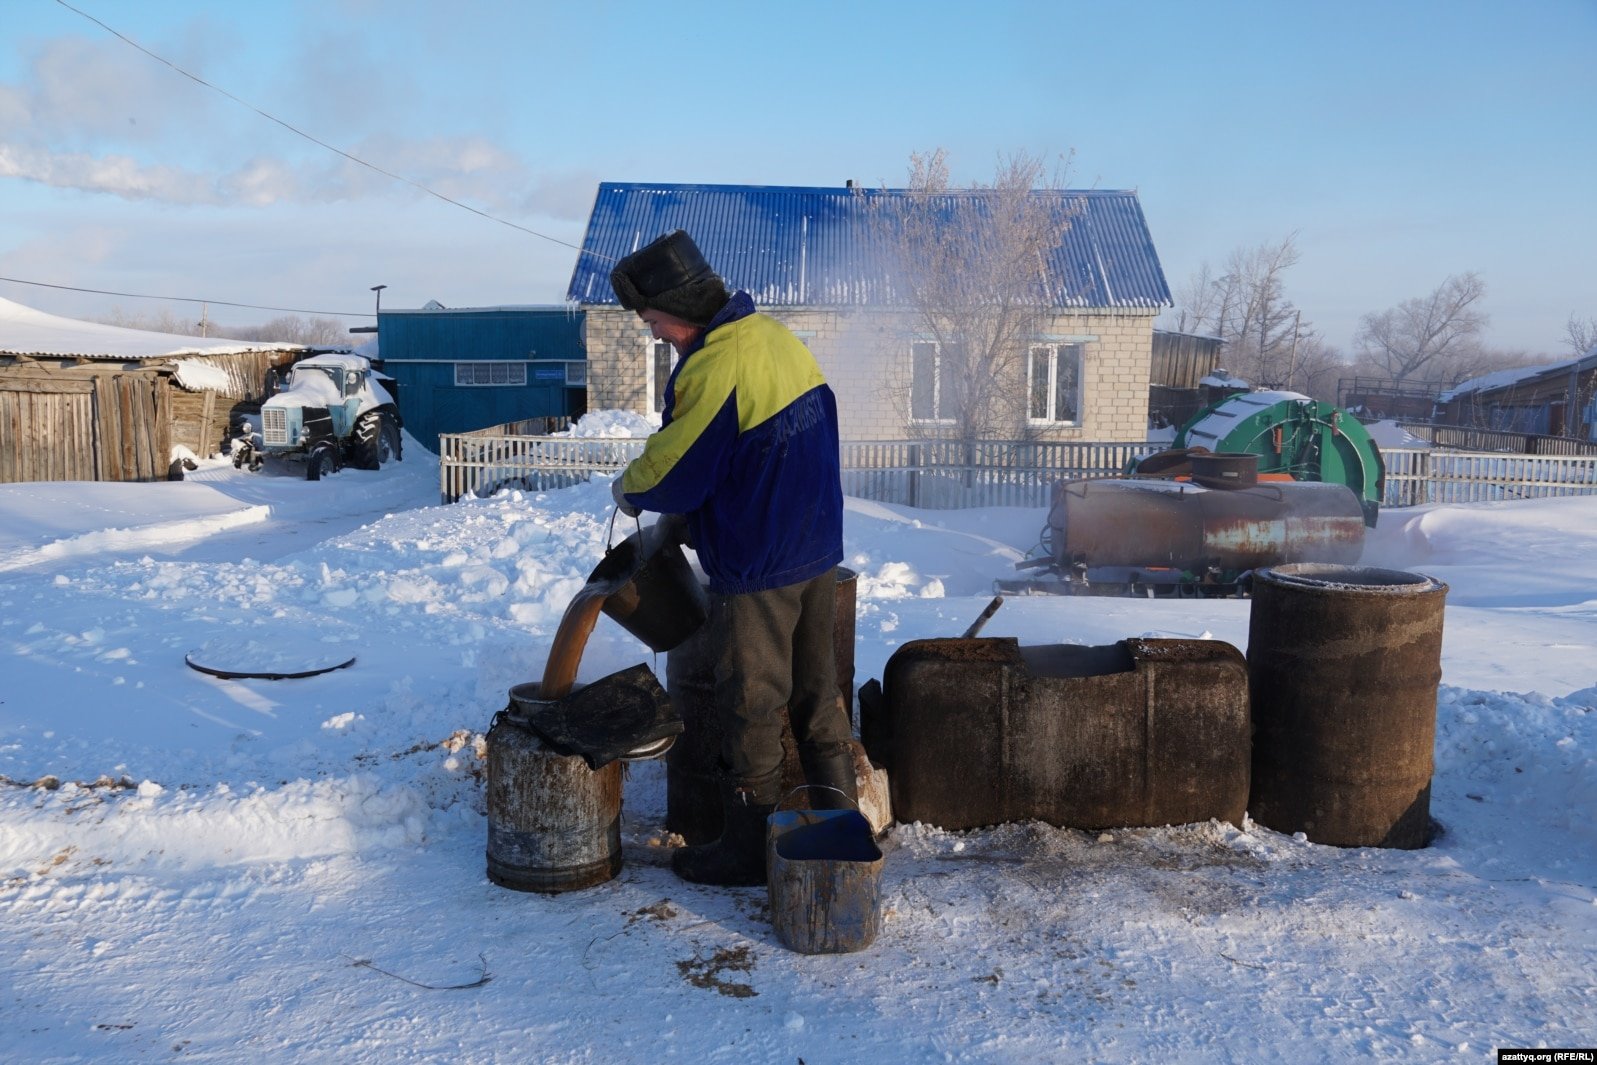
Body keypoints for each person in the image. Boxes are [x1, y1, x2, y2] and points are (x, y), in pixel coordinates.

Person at [609, 229, 855, 887]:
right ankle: (840, 829)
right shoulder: (771, 337)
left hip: (760, 560)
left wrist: (630, 488)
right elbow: (756, 443)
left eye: (652, 319)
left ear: (677, 306)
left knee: (750, 701)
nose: (654, 332)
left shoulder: (716, 363)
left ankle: (747, 850)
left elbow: (680, 466)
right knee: (815, 691)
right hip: (814, 543)